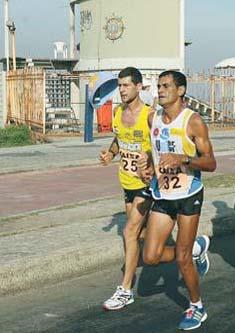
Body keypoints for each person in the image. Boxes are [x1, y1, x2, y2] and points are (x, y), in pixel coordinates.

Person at [138, 70, 215, 330]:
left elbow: (211, 163)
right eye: (159, 86)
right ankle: (196, 249)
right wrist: (147, 164)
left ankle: (197, 306)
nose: (160, 90)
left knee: (181, 258)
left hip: (188, 194)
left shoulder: (193, 122)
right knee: (149, 257)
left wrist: (184, 159)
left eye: (166, 86)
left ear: (180, 90)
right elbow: (155, 148)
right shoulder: (153, 118)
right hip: (163, 193)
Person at [99, 67, 155, 311]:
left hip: (147, 184)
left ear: (139, 86)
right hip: (127, 183)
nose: (121, 90)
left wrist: (150, 160)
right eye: (120, 85)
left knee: (129, 232)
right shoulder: (117, 111)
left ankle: (125, 290)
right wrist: (110, 153)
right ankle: (193, 249)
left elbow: (161, 144)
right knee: (142, 236)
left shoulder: (150, 115)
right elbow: (118, 139)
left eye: (126, 85)